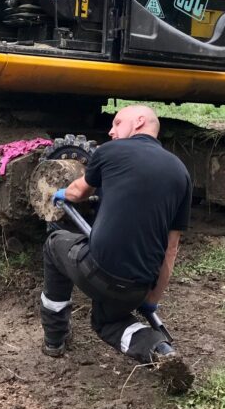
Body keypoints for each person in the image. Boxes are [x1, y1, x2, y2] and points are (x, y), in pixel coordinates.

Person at [40, 104, 194, 389]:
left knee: (53, 244)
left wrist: (61, 193)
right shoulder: (181, 173)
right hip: (136, 287)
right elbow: (171, 249)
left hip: (96, 270)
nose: (111, 130)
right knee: (107, 322)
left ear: (139, 122)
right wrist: (151, 299)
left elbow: (77, 192)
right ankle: (160, 350)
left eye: (117, 122)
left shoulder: (110, 152)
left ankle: (54, 339)